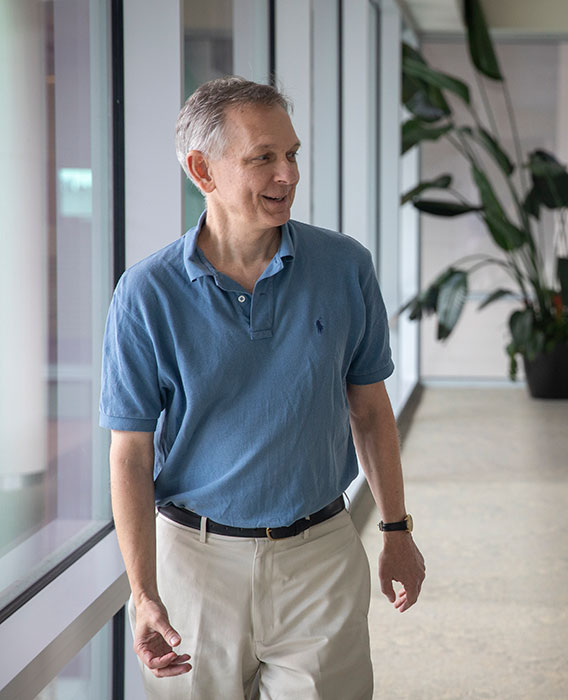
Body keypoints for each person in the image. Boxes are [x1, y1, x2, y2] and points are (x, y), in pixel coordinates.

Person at [100, 76, 425, 699]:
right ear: (203, 169)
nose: (288, 175)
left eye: (292, 154)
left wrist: (396, 530)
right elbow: (130, 454)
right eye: (263, 159)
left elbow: (371, 411)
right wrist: (143, 594)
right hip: (193, 567)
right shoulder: (146, 294)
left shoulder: (346, 266)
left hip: (320, 556)